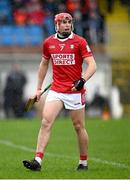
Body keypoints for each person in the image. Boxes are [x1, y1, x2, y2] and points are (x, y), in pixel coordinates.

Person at [23, 12, 96, 171]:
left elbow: (92, 65)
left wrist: (82, 80)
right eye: (63, 22)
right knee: (45, 121)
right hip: (56, 89)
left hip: (74, 91)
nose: (67, 24)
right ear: (56, 25)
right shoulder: (49, 42)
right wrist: (38, 88)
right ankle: (37, 161)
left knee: (78, 126)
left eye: (69, 22)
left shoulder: (80, 42)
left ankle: (83, 162)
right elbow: (43, 64)